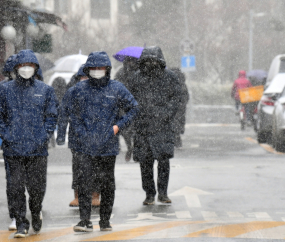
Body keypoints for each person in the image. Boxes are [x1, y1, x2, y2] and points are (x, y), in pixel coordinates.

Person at [62, 51, 138, 232]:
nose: (97, 71)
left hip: (108, 146)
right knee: (84, 183)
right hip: (83, 146)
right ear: (88, 70)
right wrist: (81, 133)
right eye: (93, 68)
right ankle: (85, 220)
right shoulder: (77, 90)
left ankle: (105, 220)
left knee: (107, 185)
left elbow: (133, 108)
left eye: (100, 68)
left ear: (107, 69)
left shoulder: (116, 88)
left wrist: (117, 127)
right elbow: (69, 112)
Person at [0, 49, 58, 238]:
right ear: (17, 68)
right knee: (15, 188)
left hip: (37, 150)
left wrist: (44, 136)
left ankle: (36, 211)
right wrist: (6, 135)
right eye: (23, 66)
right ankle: (21, 224)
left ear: (35, 68)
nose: (26, 69)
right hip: (13, 149)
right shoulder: (5, 90)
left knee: (37, 188)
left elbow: (51, 116)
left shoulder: (45, 90)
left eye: (30, 66)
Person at [129, 46, 181, 205]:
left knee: (163, 161)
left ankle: (163, 193)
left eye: (153, 60)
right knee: (145, 163)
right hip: (143, 127)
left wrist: (166, 113)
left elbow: (177, 98)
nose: (151, 63)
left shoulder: (169, 77)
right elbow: (130, 99)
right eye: (147, 60)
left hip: (162, 127)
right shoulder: (136, 78)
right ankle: (149, 193)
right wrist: (137, 113)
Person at [57, 64, 100, 208]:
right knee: (78, 168)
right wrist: (61, 135)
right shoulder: (72, 92)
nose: (84, 79)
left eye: (87, 77)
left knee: (96, 167)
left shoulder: (100, 90)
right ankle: (77, 195)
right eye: (82, 76)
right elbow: (63, 113)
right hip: (77, 138)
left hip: (97, 137)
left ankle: (95, 194)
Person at [1, 54, 17, 231]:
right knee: (13, 182)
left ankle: (32, 210)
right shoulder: (3, 89)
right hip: (10, 142)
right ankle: (16, 214)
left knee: (30, 183)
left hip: (28, 142)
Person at [115, 56, 139, 161]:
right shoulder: (121, 72)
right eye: (128, 61)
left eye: (132, 61)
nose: (130, 63)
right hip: (124, 104)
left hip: (137, 104)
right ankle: (130, 147)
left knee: (136, 129)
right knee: (125, 130)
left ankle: (135, 148)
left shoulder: (140, 72)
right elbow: (116, 85)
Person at [170, 68, 190, 148]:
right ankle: (177, 136)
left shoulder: (170, 83)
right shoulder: (182, 84)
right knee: (179, 121)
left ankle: (174, 137)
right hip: (180, 107)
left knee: (173, 121)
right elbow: (186, 96)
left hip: (172, 106)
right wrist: (183, 104)